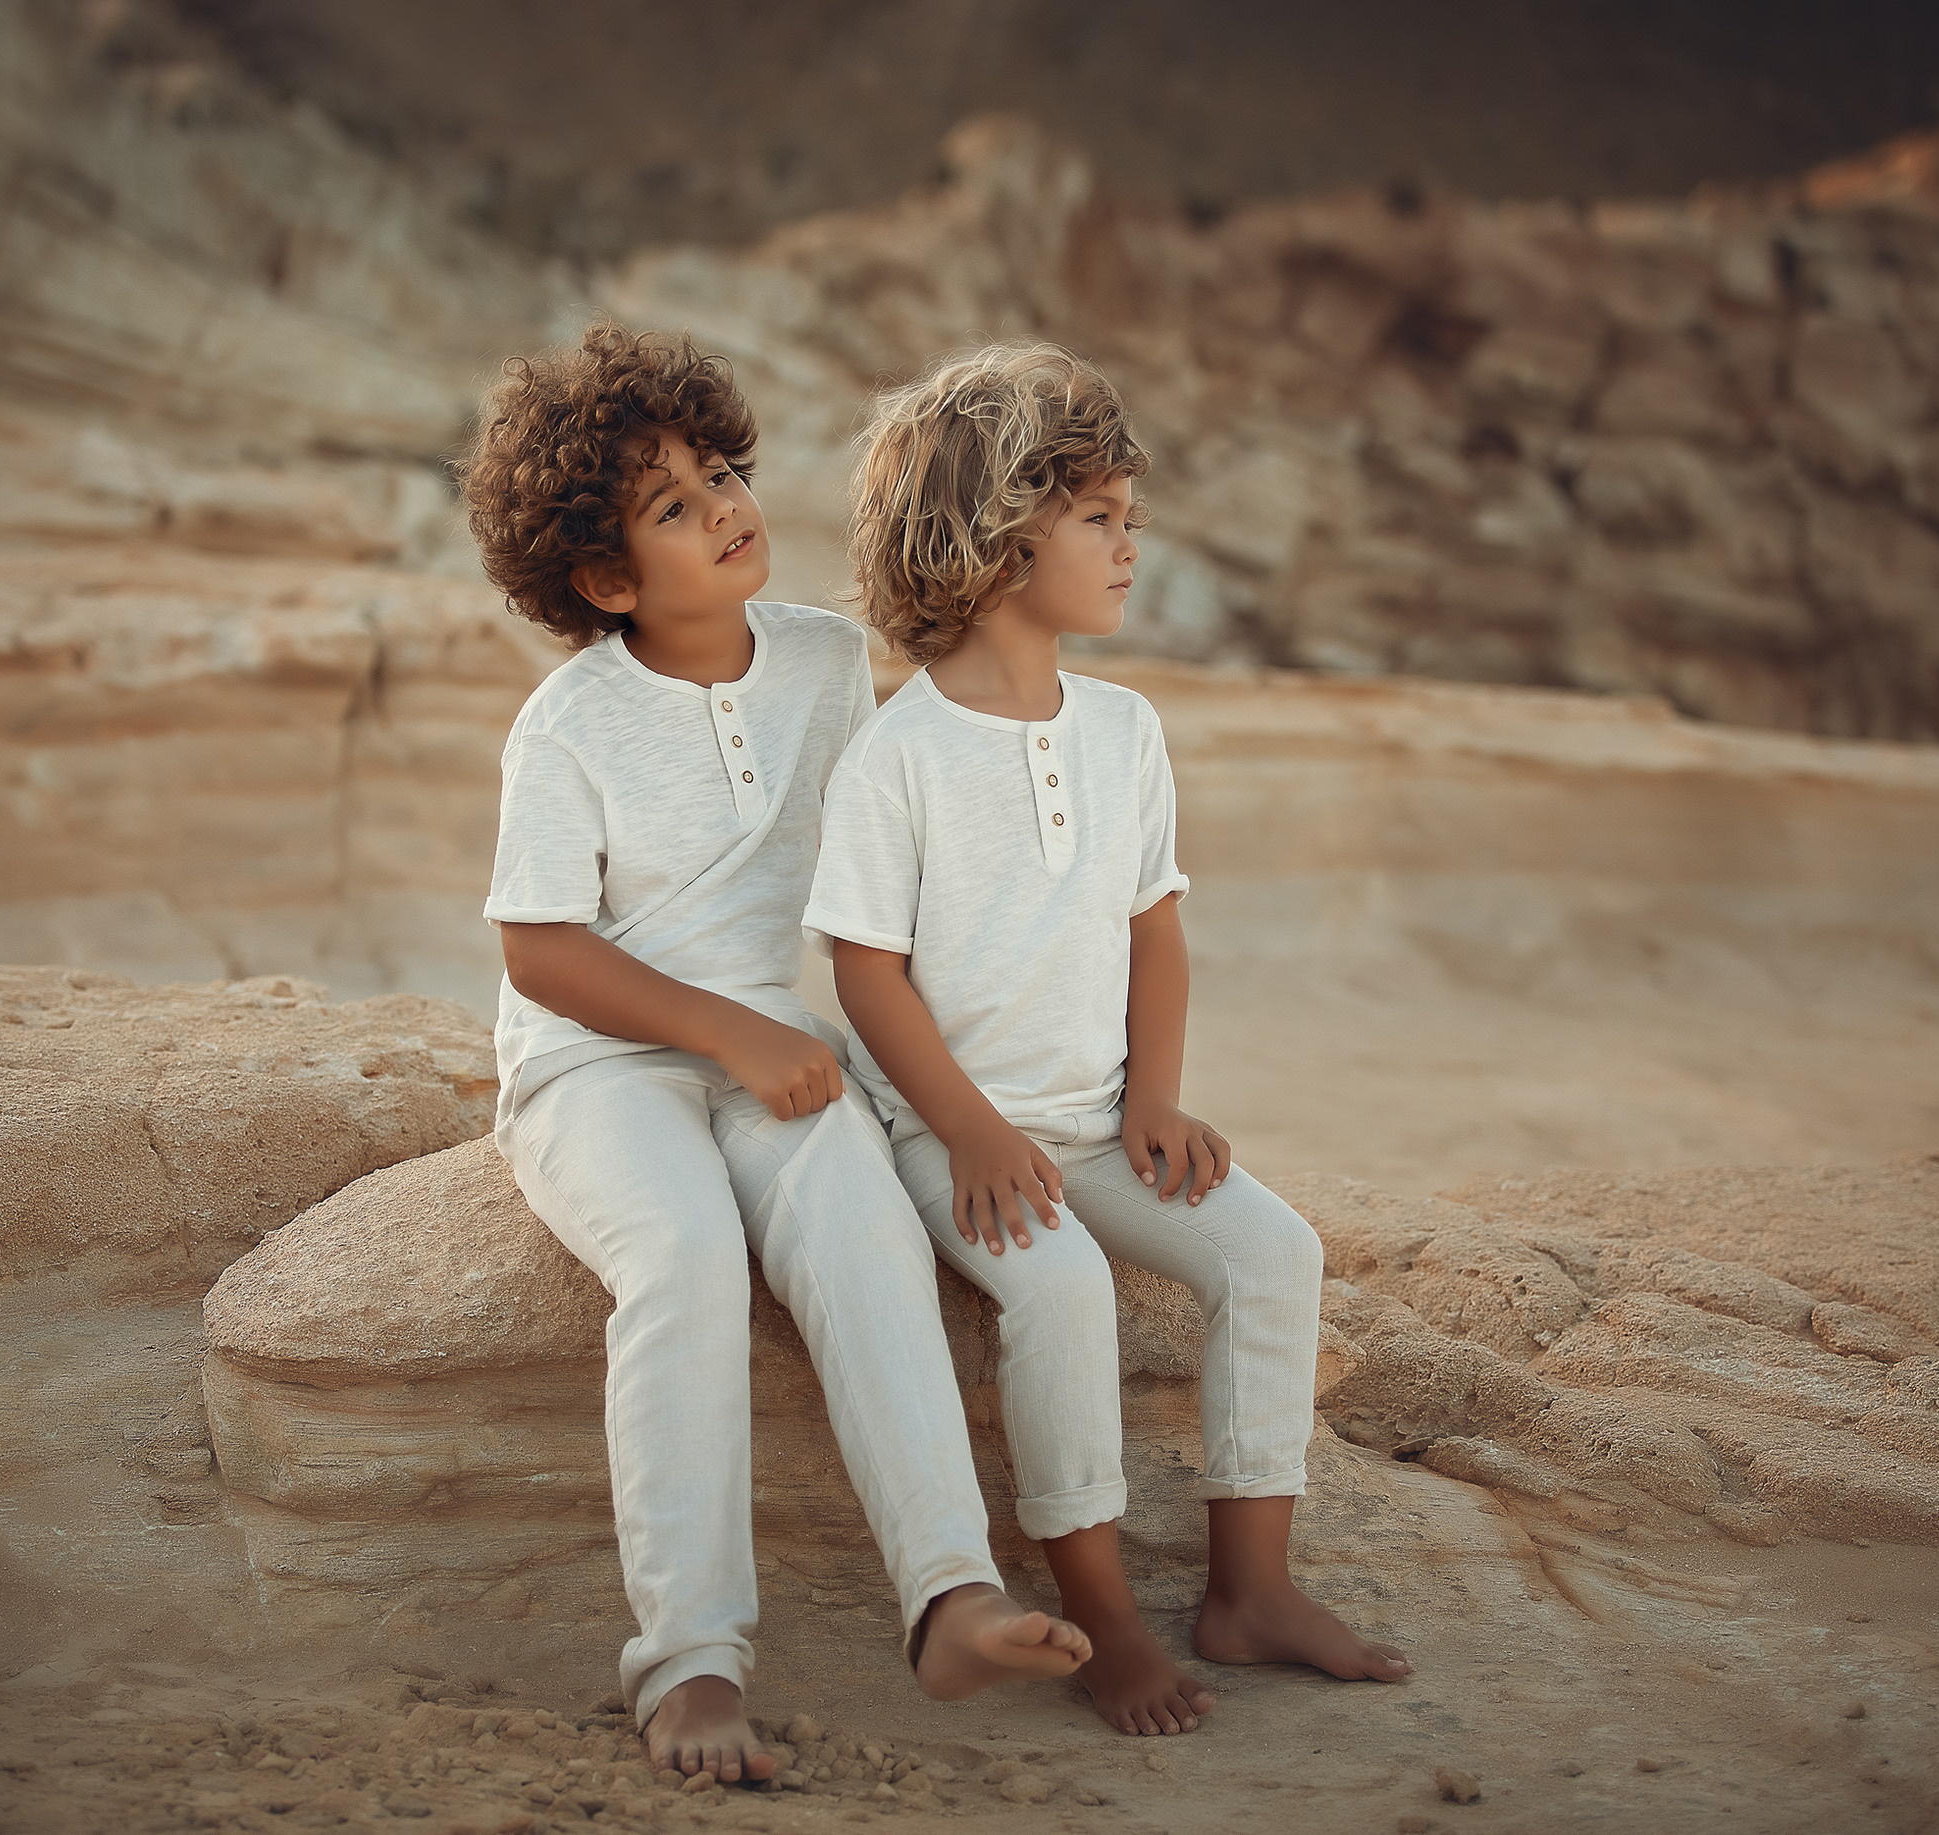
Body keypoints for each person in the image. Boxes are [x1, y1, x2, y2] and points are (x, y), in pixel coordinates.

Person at [462, 324, 1090, 1783]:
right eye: (673, 506)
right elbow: (538, 949)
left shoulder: (817, 660)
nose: (728, 506)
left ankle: (950, 1594)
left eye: (724, 470)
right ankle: (687, 1663)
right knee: (681, 1257)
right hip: (594, 1070)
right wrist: (733, 1031)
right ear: (604, 580)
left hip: (776, 1061)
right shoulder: (567, 726)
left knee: (865, 1231)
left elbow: (896, 850)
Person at [806, 342, 1414, 1738]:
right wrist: (965, 1128)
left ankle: (1251, 1590)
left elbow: (1155, 929)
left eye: (1130, 518)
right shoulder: (899, 757)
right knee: (1063, 1293)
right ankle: (1108, 1617)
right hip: (954, 1139)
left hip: (1097, 1123)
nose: (1132, 547)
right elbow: (866, 969)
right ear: (997, 537)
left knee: (1273, 1252)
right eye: (1101, 520)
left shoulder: (1127, 731)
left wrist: (1158, 1097)